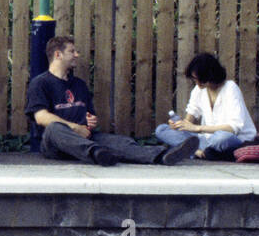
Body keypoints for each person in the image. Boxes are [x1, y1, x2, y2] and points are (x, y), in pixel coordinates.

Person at [27, 35, 197, 166]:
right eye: (72, 51)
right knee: (54, 129)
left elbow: (89, 117)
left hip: (86, 139)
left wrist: (89, 122)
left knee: (120, 142)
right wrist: (75, 128)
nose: (77, 55)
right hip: (56, 143)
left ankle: (162, 155)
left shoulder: (79, 84)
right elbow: (41, 117)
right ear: (58, 54)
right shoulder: (41, 83)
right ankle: (97, 153)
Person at [155, 53, 256, 160]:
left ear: (210, 75)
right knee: (161, 130)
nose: (197, 83)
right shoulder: (199, 90)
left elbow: (233, 128)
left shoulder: (230, 88)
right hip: (207, 140)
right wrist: (179, 125)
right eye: (195, 79)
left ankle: (194, 151)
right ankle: (200, 152)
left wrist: (197, 128)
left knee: (221, 138)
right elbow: (189, 118)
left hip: (232, 139)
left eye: (200, 79)